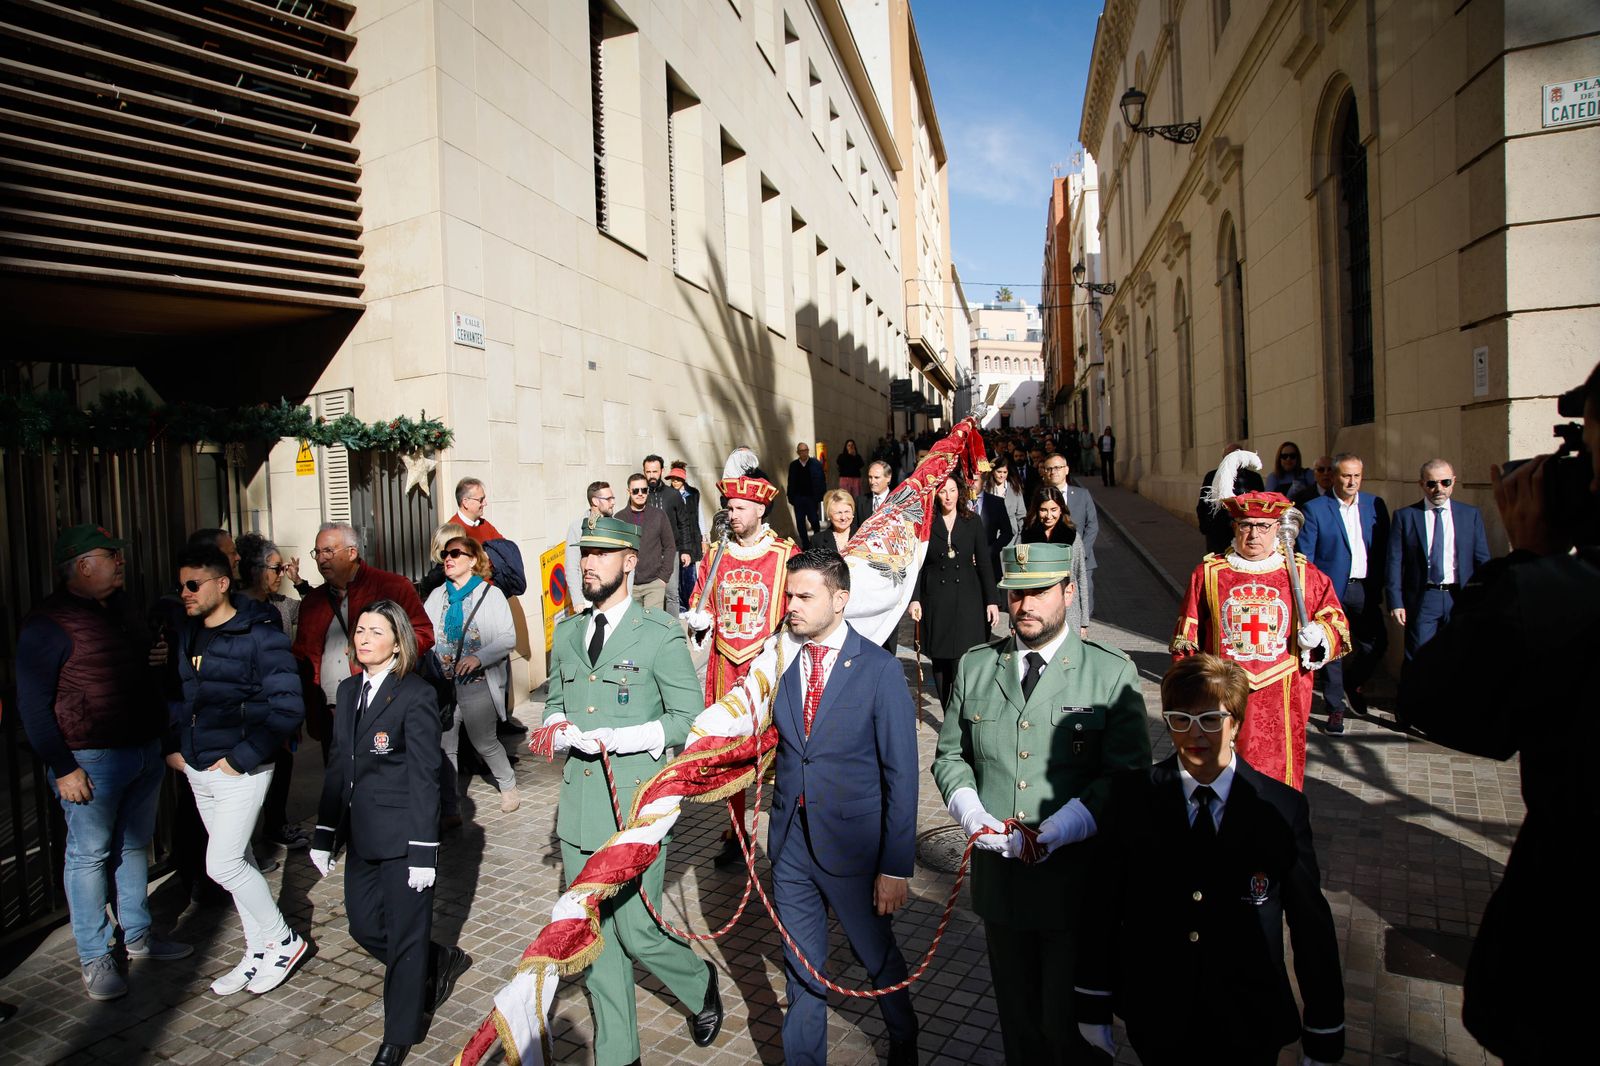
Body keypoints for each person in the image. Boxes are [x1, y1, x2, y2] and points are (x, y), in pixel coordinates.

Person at [1397, 360, 1600, 1064]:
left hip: (1572, 950)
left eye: (1587, 451)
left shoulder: (1558, 596)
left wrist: (1532, 559)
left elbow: (1437, 700)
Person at [932, 541, 1151, 1065]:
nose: (1025, 606)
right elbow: (949, 756)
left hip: (1076, 886)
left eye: (1039, 593)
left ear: (1068, 592)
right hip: (1002, 888)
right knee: (1020, 1024)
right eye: (1015, 595)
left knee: (1068, 1028)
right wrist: (971, 813)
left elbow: (1128, 775)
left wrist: (1069, 823)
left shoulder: (1109, 672)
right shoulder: (977, 667)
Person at [1075, 655, 1345, 1066]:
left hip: (1248, 1016)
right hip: (1161, 1013)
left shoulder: (1279, 808)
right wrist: (1093, 1002)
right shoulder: (1132, 798)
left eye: (1210, 720)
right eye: (1180, 719)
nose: (1194, 734)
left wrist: (1324, 1028)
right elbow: (1102, 907)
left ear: (1235, 722)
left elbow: (1310, 923)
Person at [540, 516, 724, 1065]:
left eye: (601, 554)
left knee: (638, 931)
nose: (588, 564)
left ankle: (697, 982)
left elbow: (688, 718)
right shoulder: (568, 633)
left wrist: (626, 736)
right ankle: (620, 1055)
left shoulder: (658, 631)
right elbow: (554, 701)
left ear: (629, 562)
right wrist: (555, 726)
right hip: (577, 814)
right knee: (594, 939)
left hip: (636, 808)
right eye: (584, 554)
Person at [15, 524, 192, 1000]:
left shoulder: (121, 608)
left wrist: (151, 657)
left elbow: (132, 670)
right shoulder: (46, 624)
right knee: (88, 856)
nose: (120, 563)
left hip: (141, 750)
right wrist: (63, 766)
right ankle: (95, 955)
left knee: (134, 848)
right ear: (82, 566)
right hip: (89, 760)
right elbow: (32, 705)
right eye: (110, 556)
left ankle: (137, 935)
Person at [767, 550, 918, 1066]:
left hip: (855, 849)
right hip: (791, 846)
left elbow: (902, 774)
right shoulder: (782, 661)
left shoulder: (878, 670)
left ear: (841, 600)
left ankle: (902, 1031)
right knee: (801, 970)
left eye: (804, 597)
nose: (791, 606)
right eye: (789, 595)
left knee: (875, 956)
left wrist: (895, 866)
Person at [310, 601, 469, 1066]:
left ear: (397, 643)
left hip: (404, 839)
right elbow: (340, 768)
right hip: (363, 836)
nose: (362, 639)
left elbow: (424, 777)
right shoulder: (347, 691)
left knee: (403, 937)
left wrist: (424, 850)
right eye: (359, 630)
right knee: (363, 926)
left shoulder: (415, 695)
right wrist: (324, 833)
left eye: (374, 632)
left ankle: (398, 1035)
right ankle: (436, 959)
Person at [170, 544, 309, 995]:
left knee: (223, 864)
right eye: (181, 586)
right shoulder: (187, 633)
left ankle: (285, 941)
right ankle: (258, 950)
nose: (185, 593)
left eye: (194, 584)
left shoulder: (260, 633)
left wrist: (241, 758)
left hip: (239, 768)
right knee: (240, 860)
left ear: (222, 583)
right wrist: (175, 747)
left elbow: (288, 707)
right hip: (198, 765)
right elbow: (181, 695)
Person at [1173, 490, 1349, 788]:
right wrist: (1190, 697)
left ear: (1278, 529)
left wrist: (1318, 635)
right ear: (1235, 528)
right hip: (1223, 696)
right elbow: (1186, 642)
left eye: (1263, 526)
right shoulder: (1209, 573)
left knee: (1277, 782)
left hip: (1282, 694)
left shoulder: (1304, 575)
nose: (1254, 534)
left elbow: (1337, 621)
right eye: (1246, 525)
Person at [685, 472, 798, 867]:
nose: (731, 514)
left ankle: (787, 832)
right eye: (729, 507)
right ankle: (735, 830)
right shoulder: (717, 553)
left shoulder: (785, 554)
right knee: (730, 750)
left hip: (768, 670)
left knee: (781, 749)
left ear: (759, 509)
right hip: (726, 666)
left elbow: (798, 606)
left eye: (738, 508)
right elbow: (702, 598)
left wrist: (783, 638)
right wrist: (700, 621)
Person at [292, 522, 435, 762]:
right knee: (339, 777)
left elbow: (423, 633)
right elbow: (302, 655)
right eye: (317, 552)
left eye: (329, 551)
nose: (321, 559)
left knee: (381, 772)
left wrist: (390, 657)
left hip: (382, 701)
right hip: (331, 709)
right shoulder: (312, 602)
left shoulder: (392, 587)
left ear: (352, 553)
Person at [423, 535, 520, 813]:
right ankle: (451, 806)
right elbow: (425, 632)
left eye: (455, 553)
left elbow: (506, 638)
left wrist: (478, 658)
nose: (448, 559)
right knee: (446, 746)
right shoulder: (437, 596)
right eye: (445, 554)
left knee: (484, 742)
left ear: (473, 560)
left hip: (477, 684)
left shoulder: (491, 594)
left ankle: (508, 785)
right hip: (444, 685)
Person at [1296, 453, 1389, 731]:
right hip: (1330, 593)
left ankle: (1353, 682)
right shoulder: (1315, 509)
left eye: (1356, 476)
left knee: (1377, 642)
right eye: (1346, 475)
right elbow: (1306, 558)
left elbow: (1383, 549)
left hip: (1363, 588)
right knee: (1333, 650)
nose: (1352, 481)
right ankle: (1335, 707)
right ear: (1334, 477)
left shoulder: (1375, 505)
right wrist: (1311, 595)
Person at [236, 533, 309, 850]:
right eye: (277, 568)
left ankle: (275, 824)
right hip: (247, 707)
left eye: (283, 569)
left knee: (282, 764)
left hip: (279, 704)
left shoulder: (282, 605)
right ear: (254, 569)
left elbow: (317, 610)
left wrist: (300, 582)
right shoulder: (233, 607)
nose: (282, 574)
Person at [909, 474, 1000, 708]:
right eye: (942, 491)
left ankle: (961, 710)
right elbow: (915, 564)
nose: (948, 496)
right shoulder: (925, 524)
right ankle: (947, 709)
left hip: (968, 597)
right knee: (939, 660)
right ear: (935, 495)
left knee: (964, 658)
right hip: (936, 598)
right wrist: (915, 599)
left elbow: (984, 562)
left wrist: (992, 600)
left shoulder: (972, 521)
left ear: (959, 492)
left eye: (952, 490)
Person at [1386, 459, 1490, 659]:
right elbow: (1394, 561)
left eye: (1445, 483)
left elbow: (1482, 560)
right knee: (1419, 656)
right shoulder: (1406, 516)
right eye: (1432, 483)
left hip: (1459, 595)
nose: (1438, 489)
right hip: (1424, 597)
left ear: (1453, 481)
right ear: (1422, 484)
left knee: (1459, 655)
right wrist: (1396, 601)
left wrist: (1482, 598)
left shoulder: (1470, 515)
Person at [1038, 452, 1100, 610]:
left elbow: (1092, 525)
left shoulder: (1082, 494)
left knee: (1083, 600)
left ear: (1066, 469)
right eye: (1049, 468)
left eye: (1058, 467)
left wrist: (1081, 552)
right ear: (1044, 471)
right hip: (1052, 560)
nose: (1054, 471)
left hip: (1081, 560)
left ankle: (1082, 632)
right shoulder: (1040, 496)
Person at [616, 472, 676, 611]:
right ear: (628, 492)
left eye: (644, 490)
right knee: (633, 627)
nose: (640, 494)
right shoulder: (619, 518)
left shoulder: (659, 515)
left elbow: (670, 546)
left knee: (652, 625)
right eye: (636, 490)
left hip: (654, 583)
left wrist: (663, 578)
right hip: (629, 584)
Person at [643, 454, 694, 615]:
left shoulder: (673, 495)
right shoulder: (640, 494)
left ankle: (672, 632)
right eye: (648, 472)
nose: (651, 475)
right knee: (650, 592)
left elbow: (684, 523)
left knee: (672, 593)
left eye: (655, 471)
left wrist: (686, 550)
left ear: (661, 471)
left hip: (671, 550)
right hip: (649, 552)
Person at [1198, 444, 1267, 555]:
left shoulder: (1254, 478)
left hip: (1246, 531)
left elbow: (1260, 504)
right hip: (1219, 532)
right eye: (1229, 456)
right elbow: (1203, 504)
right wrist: (1206, 528)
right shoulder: (1212, 477)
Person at [566, 482, 614, 612]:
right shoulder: (577, 527)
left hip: (614, 596)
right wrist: (577, 601)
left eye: (613, 498)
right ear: (595, 501)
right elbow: (572, 566)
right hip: (588, 598)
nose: (612, 502)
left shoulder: (617, 527)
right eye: (608, 499)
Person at [667, 461, 706, 609]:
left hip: (693, 537)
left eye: (677, 479)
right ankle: (680, 606)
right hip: (675, 539)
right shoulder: (668, 494)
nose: (675, 482)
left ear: (683, 479)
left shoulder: (694, 494)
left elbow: (699, 516)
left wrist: (704, 538)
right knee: (676, 575)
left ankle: (691, 604)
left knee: (690, 574)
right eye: (673, 479)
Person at [786, 442, 826, 550]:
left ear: (808, 451)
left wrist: (821, 496)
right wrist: (791, 497)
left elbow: (822, 480)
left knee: (814, 519)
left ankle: (817, 539)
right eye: (801, 451)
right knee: (800, 522)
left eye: (805, 450)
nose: (804, 453)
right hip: (798, 498)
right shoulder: (793, 465)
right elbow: (790, 482)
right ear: (798, 452)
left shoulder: (816, 464)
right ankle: (805, 544)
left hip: (811, 497)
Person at [448, 477, 504, 544]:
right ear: (465, 502)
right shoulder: (452, 532)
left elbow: (505, 549)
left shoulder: (485, 524)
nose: (485, 503)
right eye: (481, 500)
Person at [852, 459, 893, 533]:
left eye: (876, 477)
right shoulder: (860, 501)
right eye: (870, 477)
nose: (872, 482)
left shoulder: (897, 501)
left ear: (888, 478)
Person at [819, 488, 855, 554]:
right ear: (829, 515)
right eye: (838, 513)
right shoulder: (818, 540)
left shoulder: (864, 537)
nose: (843, 517)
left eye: (847, 511)